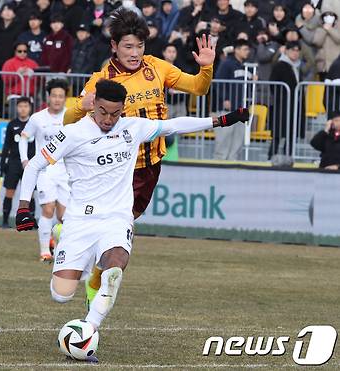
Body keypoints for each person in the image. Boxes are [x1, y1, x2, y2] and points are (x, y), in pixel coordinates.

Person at [15, 79, 248, 356]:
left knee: (114, 270)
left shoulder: (132, 128)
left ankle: (88, 330)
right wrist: (22, 206)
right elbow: (35, 166)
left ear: (123, 109)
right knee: (61, 294)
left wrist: (222, 120)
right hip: (79, 220)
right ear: (93, 105)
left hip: (116, 218)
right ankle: (62, 237)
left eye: (115, 113)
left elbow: (174, 125)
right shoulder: (73, 133)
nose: (108, 119)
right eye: (103, 112)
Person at [63, 8, 215, 306]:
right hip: (116, 167)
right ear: (114, 47)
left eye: (140, 46)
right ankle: (95, 278)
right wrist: (83, 104)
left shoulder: (157, 68)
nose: (135, 53)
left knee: (126, 221)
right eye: (128, 46)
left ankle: (70, 236)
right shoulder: (103, 78)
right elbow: (68, 120)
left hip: (150, 166)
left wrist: (206, 68)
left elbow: (199, 88)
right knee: (118, 228)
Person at [18, 78, 70, 262]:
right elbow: (23, 137)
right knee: (48, 210)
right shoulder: (37, 118)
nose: (57, 99)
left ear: (65, 98)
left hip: (66, 173)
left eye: (61, 96)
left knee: (64, 216)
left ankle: (58, 250)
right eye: (54, 95)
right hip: (45, 172)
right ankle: (44, 252)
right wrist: (25, 160)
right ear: (48, 97)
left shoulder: (71, 117)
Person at [212, 38, 253, 161]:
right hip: (227, 107)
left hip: (241, 107)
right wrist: (224, 98)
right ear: (237, 50)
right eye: (245, 49)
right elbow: (218, 82)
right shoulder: (227, 63)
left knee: (238, 138)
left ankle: (233, 161)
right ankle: (219, 161)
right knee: (224, 137)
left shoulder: (247, 66)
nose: (247, 52)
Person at [0, 97, 34, 228]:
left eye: (26, 106)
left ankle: (30, 222)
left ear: (30, 108)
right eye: (20, 106)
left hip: (30, 164)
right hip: (13, 162)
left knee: (30, 194)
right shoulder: (12, 124)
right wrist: (2, 163)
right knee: (10, 192)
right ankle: (5, 221)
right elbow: (6, 146)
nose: (23, 109)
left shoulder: (34, 123)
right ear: (17, 108)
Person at [269, 41, 302, 159]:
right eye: (293, 50)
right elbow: (273, 84)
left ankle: (288, 157)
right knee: (278, 134)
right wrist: (282, 97)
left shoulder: (297, 66)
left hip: (294, 105)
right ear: (286, 51)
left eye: (298, 51)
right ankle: (271, 157)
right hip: (282, 105)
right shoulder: (280, 65)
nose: (295, 53)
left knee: (291, 134)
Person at [1, 42, 38, 119]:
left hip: (29, 97)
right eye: (20, 51)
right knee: (14, 121)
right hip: (15, 97)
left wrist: (33, 76)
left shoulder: (33, 63)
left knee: (31, 124)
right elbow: (6, 81)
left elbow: (39, 82)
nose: (22, 53)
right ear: (15, 51)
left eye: (25, 51)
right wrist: (17, 74)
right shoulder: (9, 63)